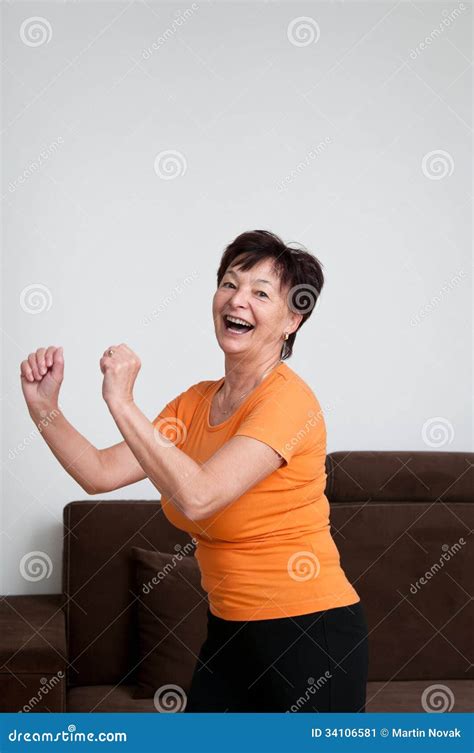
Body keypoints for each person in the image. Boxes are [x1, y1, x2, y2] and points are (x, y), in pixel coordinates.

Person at [20, 229, 368, 713]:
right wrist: (44, 408)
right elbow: (99, 472)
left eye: (260, 292)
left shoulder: (288, 402)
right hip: (229, 631)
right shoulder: (195, 403)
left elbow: (200, 496)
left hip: (310, 631)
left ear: (292, 319)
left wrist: (121, 401)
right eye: (229, 283)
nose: (237, 299)